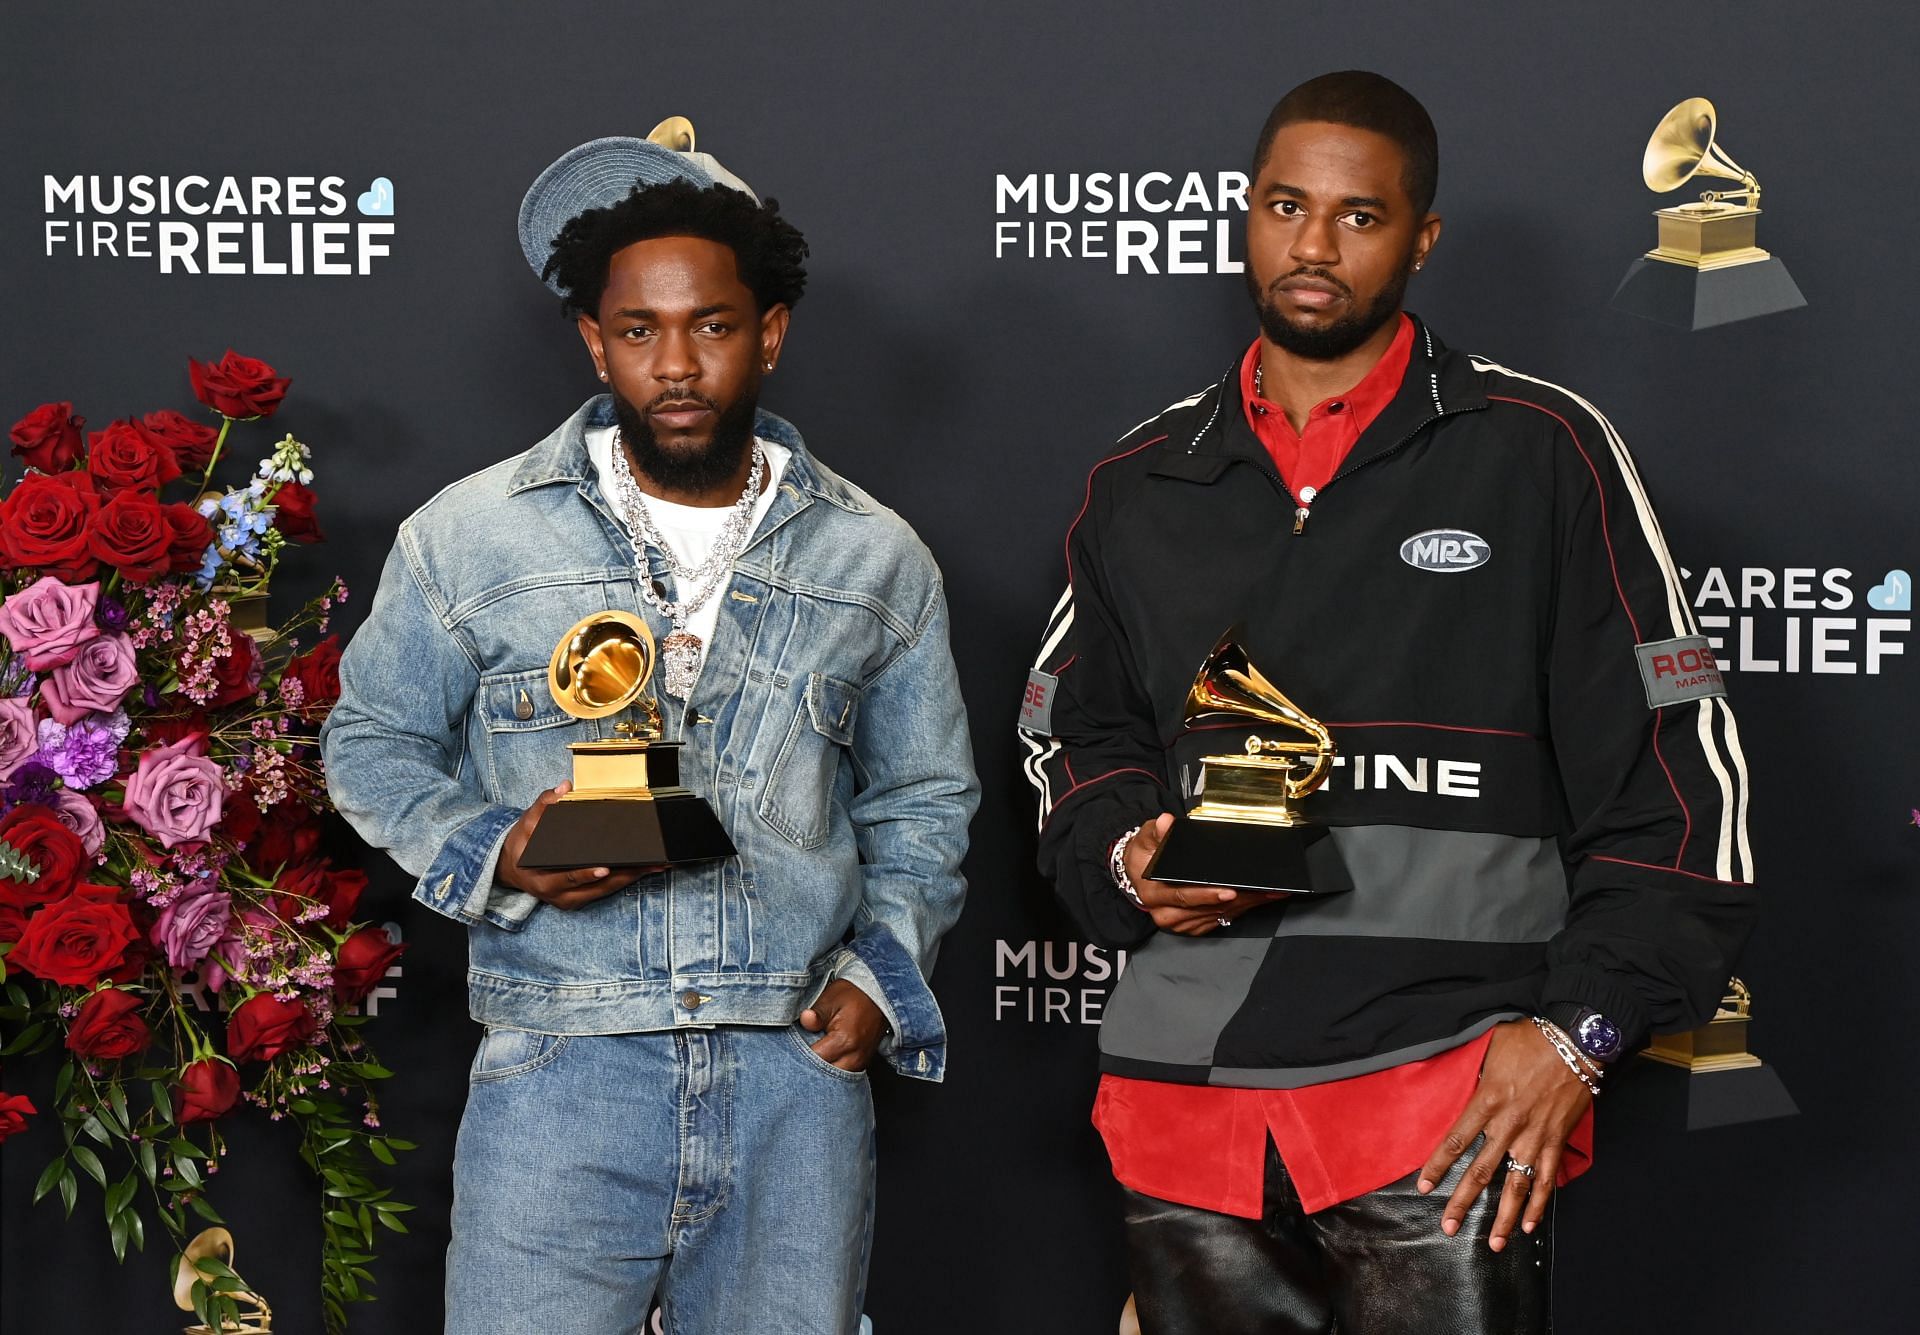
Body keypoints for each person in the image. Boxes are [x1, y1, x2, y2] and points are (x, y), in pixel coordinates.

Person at [1020, 71, 1753, 1333]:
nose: (1312, 246)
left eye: (1359, 218)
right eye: (1284, 206)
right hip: (1186, 1107)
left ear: (1423, 238)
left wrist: (1576, 1035)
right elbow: (1075, 747)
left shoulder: (1542, 450)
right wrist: (1131, 855)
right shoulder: (1141, 480)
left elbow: (1683, 791)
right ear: (1244, 217)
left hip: (1444, 1112)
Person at [321, 127, 977, 1335]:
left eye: (713, 327)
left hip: (792, 1071)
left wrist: (885, 974)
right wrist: (496, 851)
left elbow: (923, 803)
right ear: (595, 341)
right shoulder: (471, 538)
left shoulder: (875, 559)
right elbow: (369, 745)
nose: (676, 365)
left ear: (767, 333)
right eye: (639, 331)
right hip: (560, 1066)